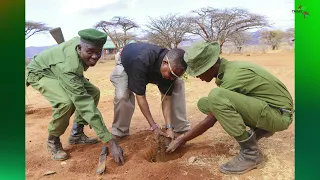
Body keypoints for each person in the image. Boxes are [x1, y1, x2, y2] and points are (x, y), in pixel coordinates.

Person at [166, 41, 294, 174]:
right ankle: (262, 129)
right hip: (270, 108)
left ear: (209, 67)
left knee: (216, 97)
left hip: (279, 115)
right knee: (205, 103)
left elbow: (210, 120)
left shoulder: (232, 77)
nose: (198, 76)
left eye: (199, 72)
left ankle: (251, 154)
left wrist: (182, 138)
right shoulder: (229, 69)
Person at [26, 28, 124, 164]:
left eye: (98, 52)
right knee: (65, 103)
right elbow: (84, 103)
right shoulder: (69, 67)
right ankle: (52, 140)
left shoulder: (84, 42)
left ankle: (76, 134)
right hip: (42, 72)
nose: (95, 56)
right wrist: (110, 141)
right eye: (90, 52)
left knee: (93, 92)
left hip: (61, 69)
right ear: (79, 48)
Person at [110, 42, 191, 140]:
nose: (172, 78)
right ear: (164, 62)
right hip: (127, 64)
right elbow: (140, 97)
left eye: (175, 75)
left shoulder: (171, 66)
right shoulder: (140, 61)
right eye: (172, 75)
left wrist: (168, 127)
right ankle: (119, 132)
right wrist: (154, 127)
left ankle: (180, 130)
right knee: (122, 95)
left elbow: (166, 99)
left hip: (152, 67)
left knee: (178, 83)